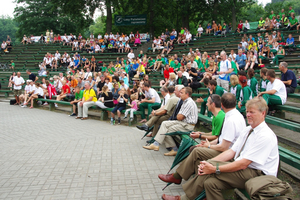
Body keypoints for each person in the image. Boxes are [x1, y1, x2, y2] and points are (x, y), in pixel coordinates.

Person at [162, 97, 279, 200]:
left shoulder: (265, 135)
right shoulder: (248, 130)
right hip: (245, 167)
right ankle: (183, 183)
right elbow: (232, 151)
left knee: (209, 172)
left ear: (263, 113)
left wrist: (214, 168)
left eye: (252, 112)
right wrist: (210, 163)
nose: (248, 115)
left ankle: (184, 198)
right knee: (210, 183)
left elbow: (243, 164)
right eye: (247, 111)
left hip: (258, 174)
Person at [159, 93, 247, 199]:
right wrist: (208, 144)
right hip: (228, 151)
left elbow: (224, 147)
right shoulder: (235, 115)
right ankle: (198, 193)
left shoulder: (231, 119)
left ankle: (178, 179)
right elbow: (221, 139)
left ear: (222, 105)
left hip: (228, 154)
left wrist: (208, 146)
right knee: (197, 158)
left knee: (197, 151)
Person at [143, 87, 198, 156]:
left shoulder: (189, 103)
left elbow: (180, 117)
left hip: (187, 125)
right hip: (182, 123)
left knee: (165, 130)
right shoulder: (185, 101)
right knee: (164, 123)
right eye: (180, 92)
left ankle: (174, 149)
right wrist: (179, 116)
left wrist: (179, 116)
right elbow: (179, 116)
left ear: (187, 94)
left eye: (182, 93)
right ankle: (156, 144)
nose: (179, 94)